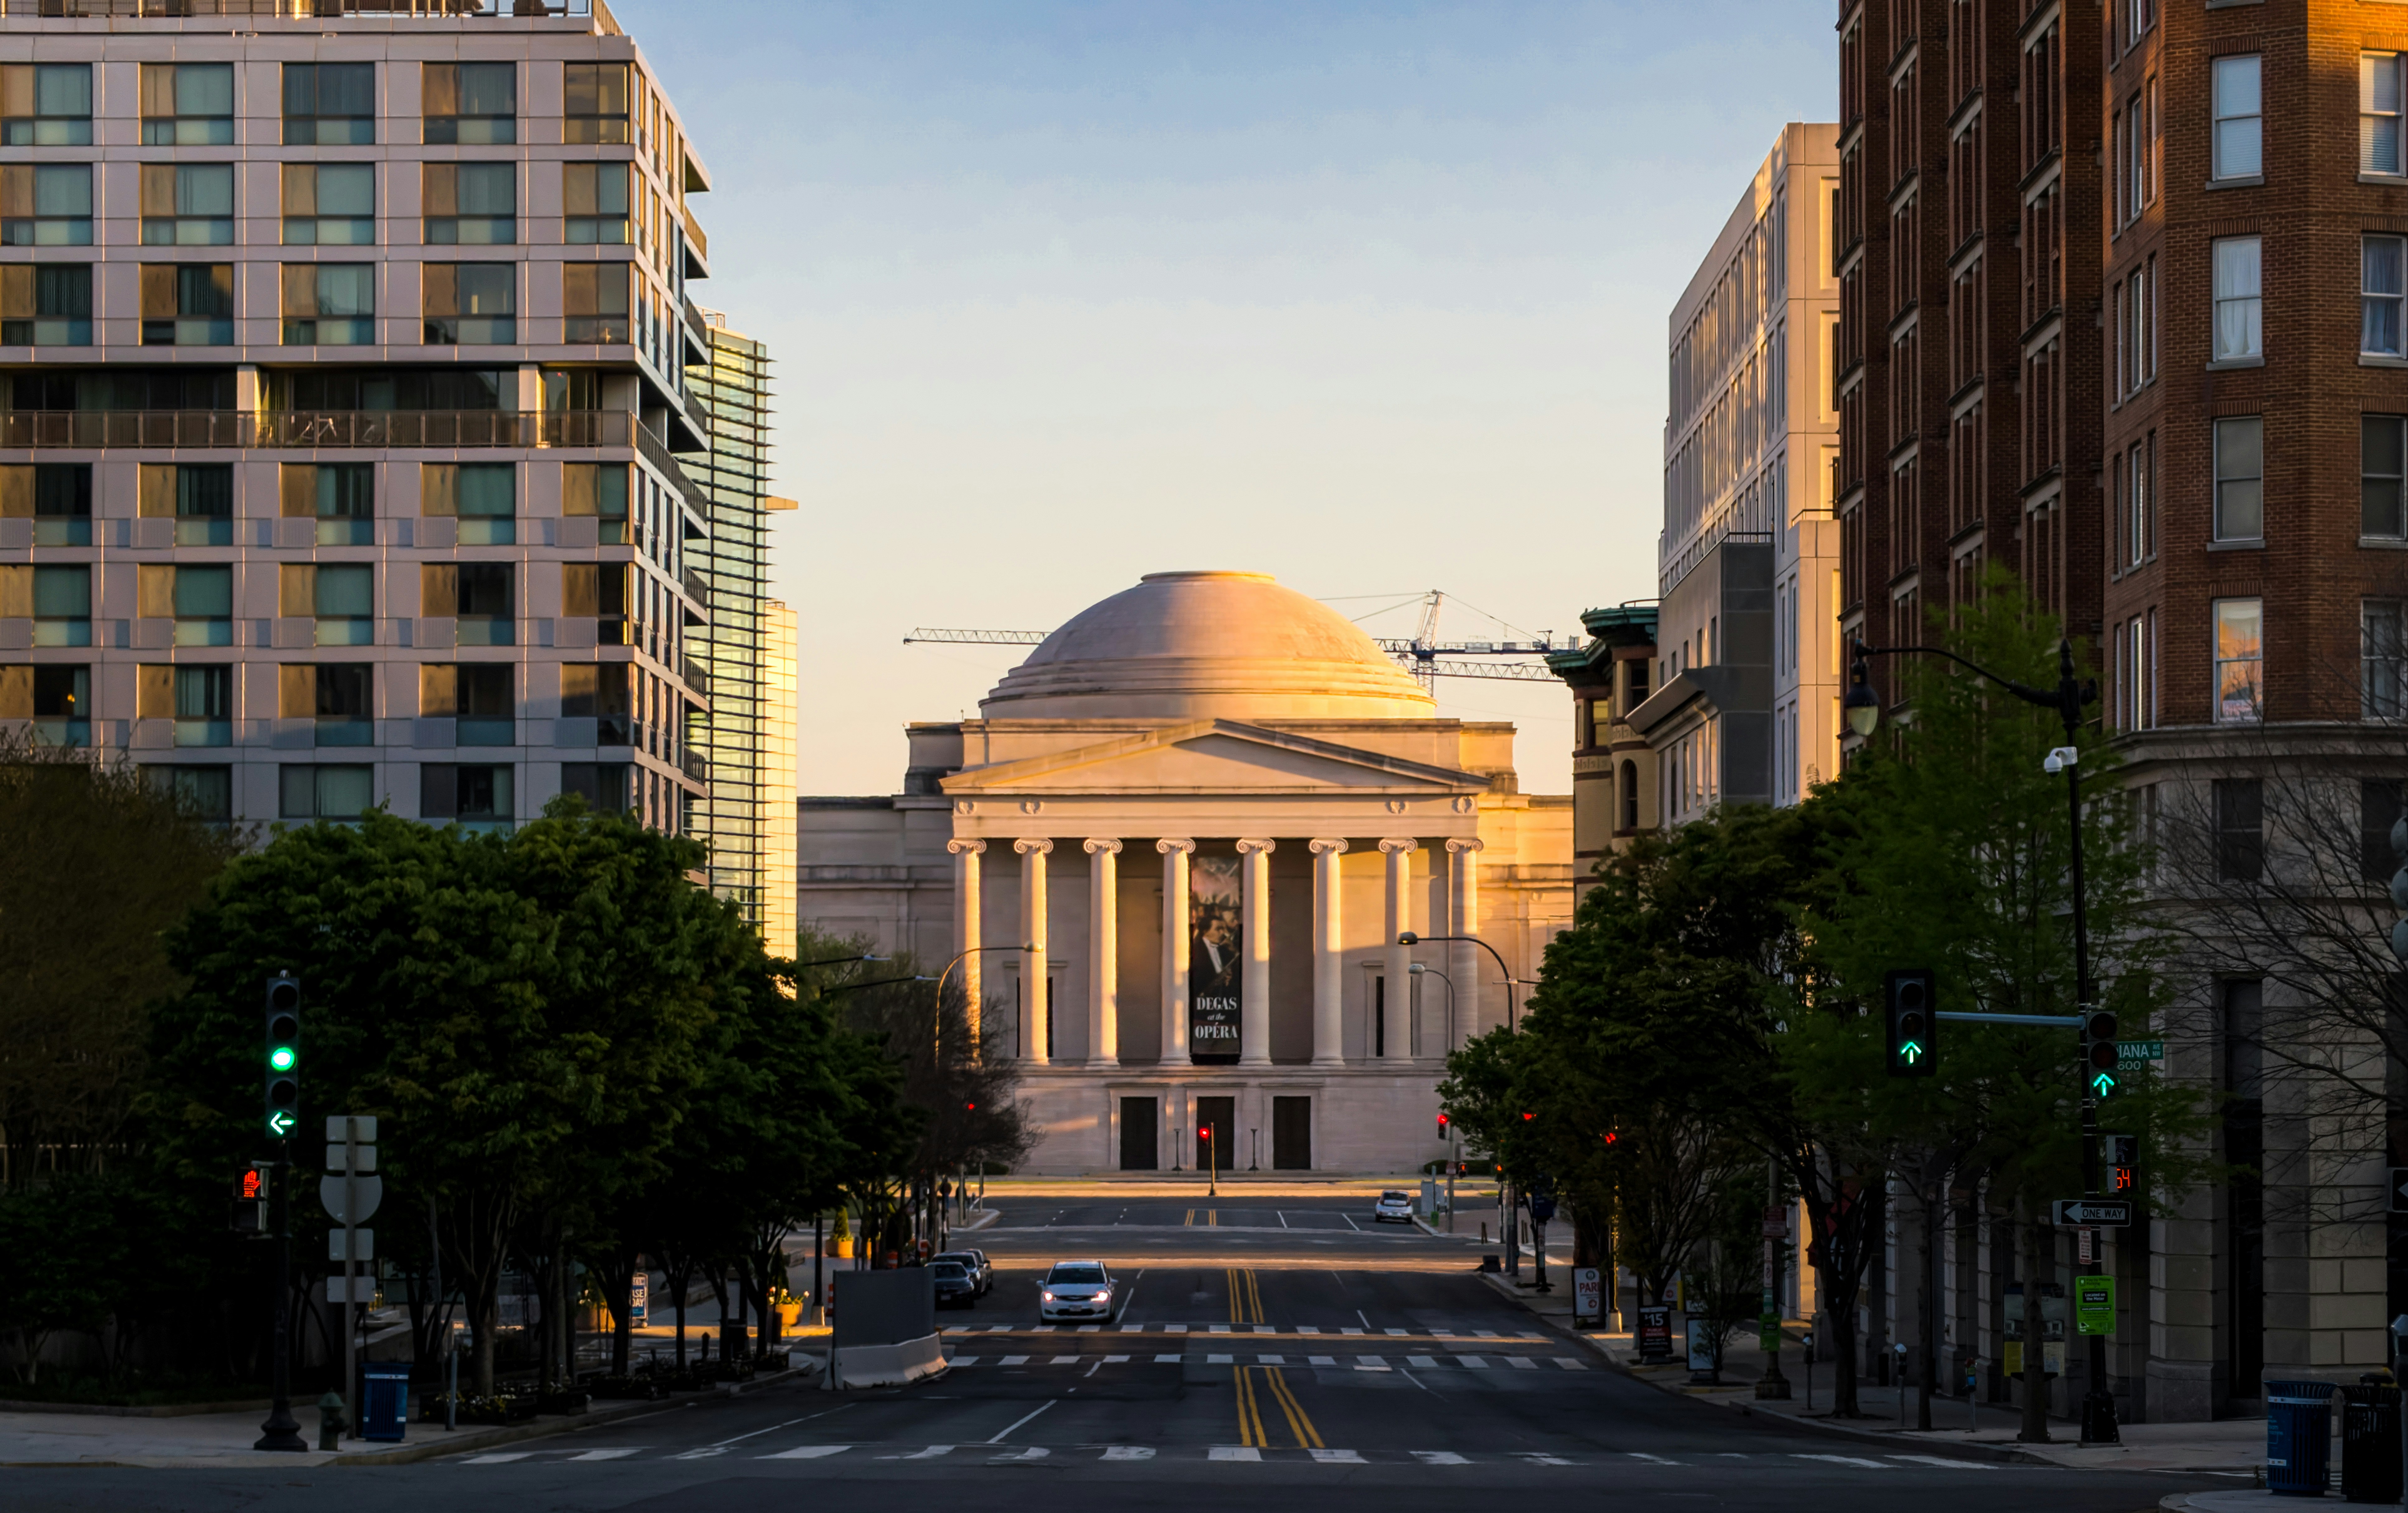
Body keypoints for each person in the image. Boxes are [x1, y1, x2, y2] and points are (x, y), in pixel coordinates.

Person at [1190, 905, 1239, 999]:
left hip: (1223, 1000)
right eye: (1218, 929)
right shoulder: (1195, 950)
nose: (1223, 933)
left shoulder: (1225, 950)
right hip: (1201, 1001)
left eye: (1223, 929)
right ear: (1206, 932)